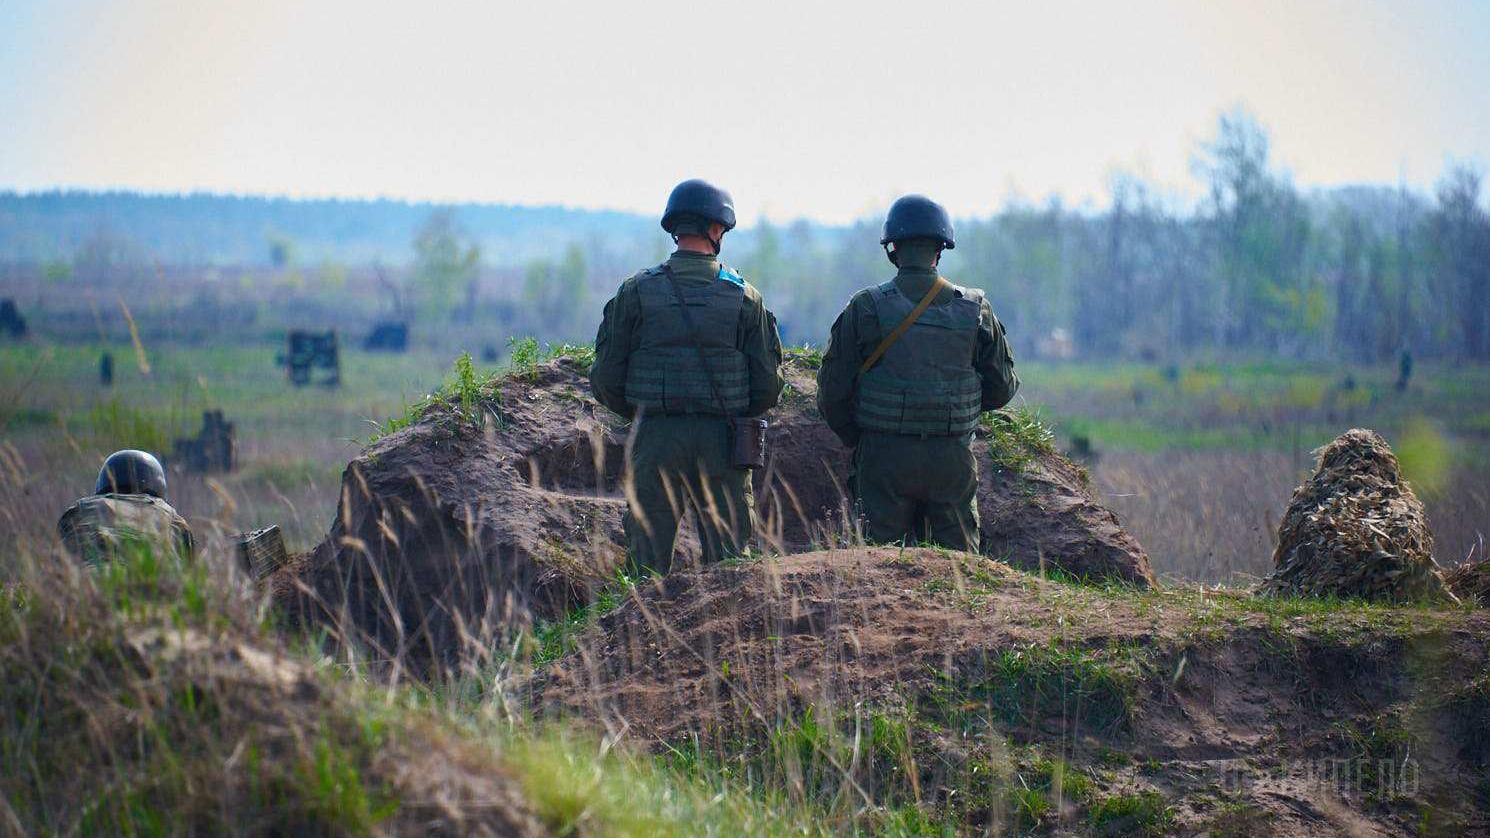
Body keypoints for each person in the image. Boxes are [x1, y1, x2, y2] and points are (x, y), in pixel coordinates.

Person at [589, 179, 784, 575]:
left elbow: (607, 376)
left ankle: (640, 636)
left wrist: (647, 414)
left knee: (644, 568)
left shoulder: (636, 291)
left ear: (675, 228)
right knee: (729, 571)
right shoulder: (745, 297)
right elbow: (767, 384)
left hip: (655, 437)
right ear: (717, 230)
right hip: (723, 441)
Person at [816, 194, 1019, 550]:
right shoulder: (975, 309)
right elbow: (1002, 388)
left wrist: (861, 437)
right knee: (961, 575)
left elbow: (832, 393)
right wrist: (953, 413)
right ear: (941, 248)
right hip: (951, 458)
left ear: (893, 248)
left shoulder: (865, 307)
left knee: (879, 572)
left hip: (883, 457)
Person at [58, 449, 194, 567]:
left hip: (89, 582)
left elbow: (59, 555)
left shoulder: (82, 508)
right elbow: (187, 566)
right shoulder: (170, 515)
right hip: (151, 582)